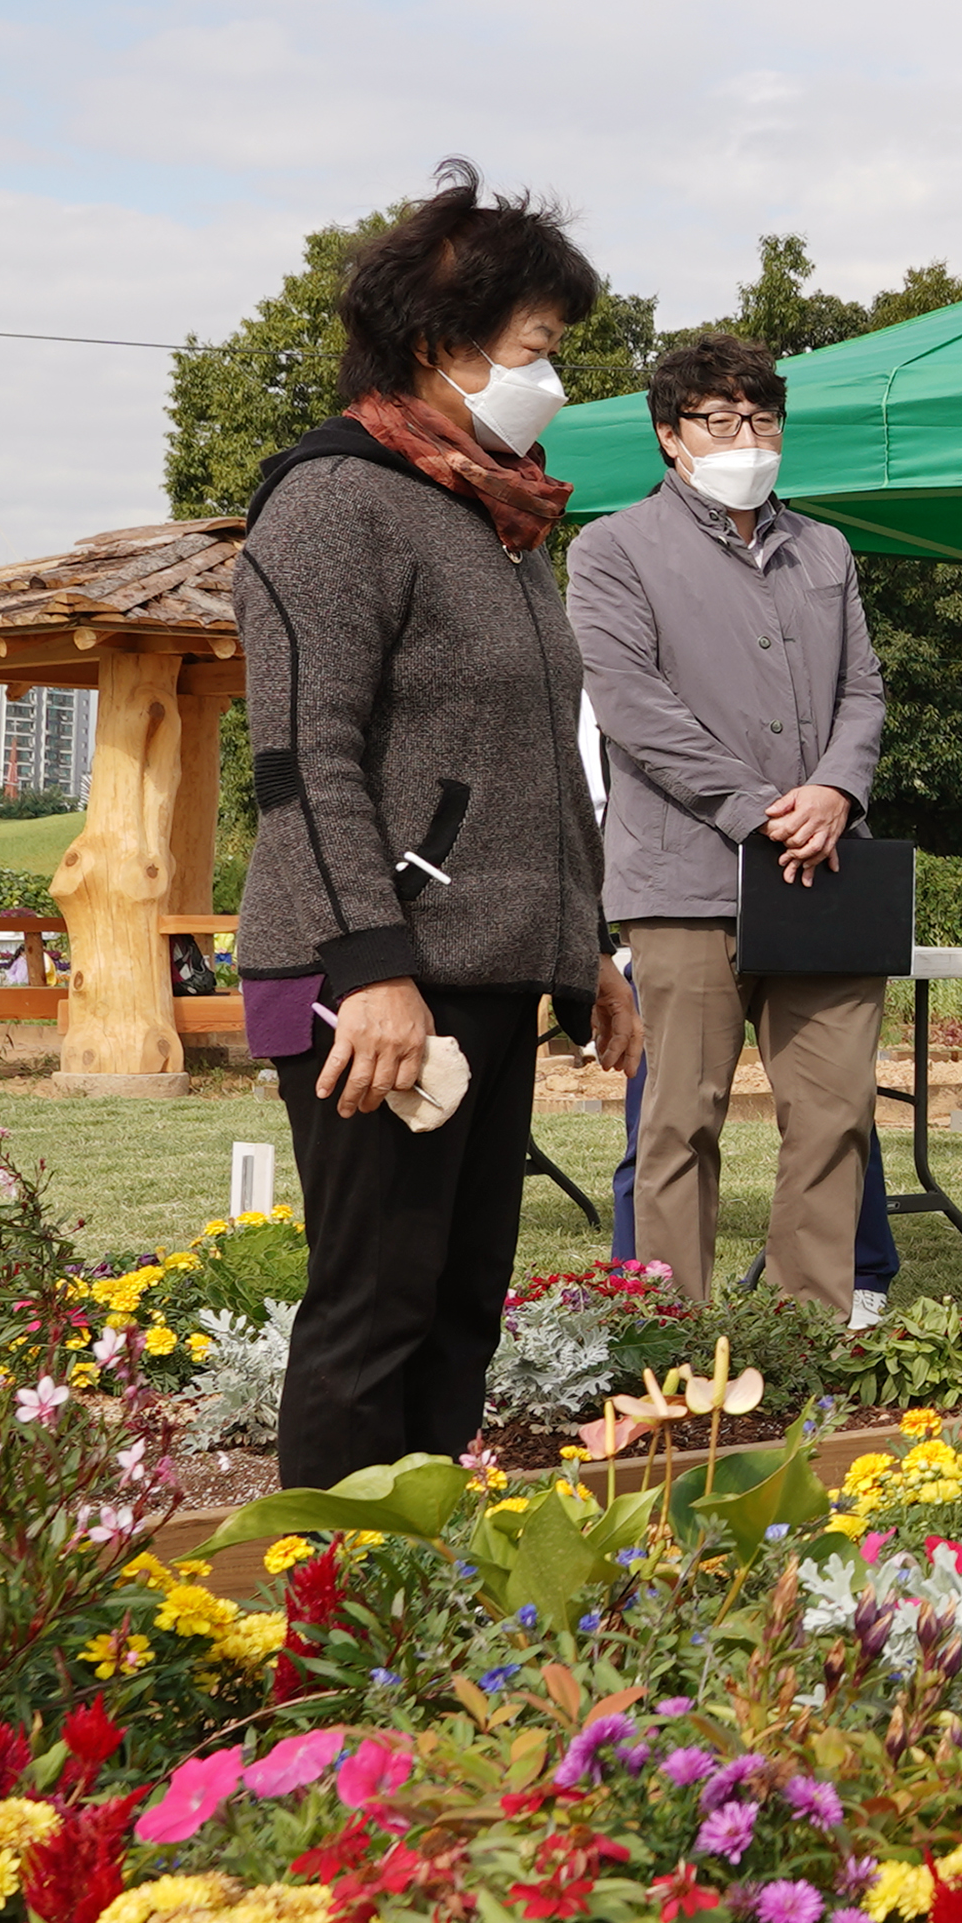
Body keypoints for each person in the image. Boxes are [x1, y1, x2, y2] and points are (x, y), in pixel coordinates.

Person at [233, 162, 642, 1488]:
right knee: (376, 1308)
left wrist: (587, 948)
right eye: (536, 348)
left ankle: (421, 1583)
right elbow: (306, 760)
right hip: (376, 976)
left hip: (493, 967)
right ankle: (327, 1590)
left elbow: (536, 760)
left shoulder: (494, 516)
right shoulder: (334, 502)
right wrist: (371, 967)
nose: (553, 380)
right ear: (437, 343)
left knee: (462, 1311)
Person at [565, 331, 893, 1322]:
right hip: (685, 881)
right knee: (680, 1120)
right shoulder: (612, 549)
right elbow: (633, 707)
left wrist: (836, 792)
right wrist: (762, 810)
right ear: (670, 436)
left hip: (825, 872)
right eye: (720, 420)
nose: (747, 438)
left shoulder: (825, 548)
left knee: (834, 1114)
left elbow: (863, 692)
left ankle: (807, 1335)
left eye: (763, 418)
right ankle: (670, 1338)